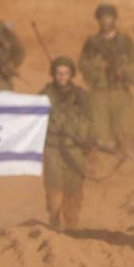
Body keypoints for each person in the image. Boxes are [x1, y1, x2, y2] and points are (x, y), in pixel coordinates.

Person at [78, 3, 134, 156]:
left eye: (108, 17)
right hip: (100, 91)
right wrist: (97, 65)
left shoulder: (124, 40)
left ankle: (124, 159)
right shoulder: (92, 42)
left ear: (114, 19)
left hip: (119, 89)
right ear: (98, 20)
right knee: (100, 132)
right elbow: (83, 64)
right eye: (102, 18)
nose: (105, 21)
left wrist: (124, 71)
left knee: (124, 129)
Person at [40, 56, 93, 230]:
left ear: (71, 74)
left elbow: (91, 121)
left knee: (74, 190)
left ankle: (72, 227)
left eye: (66, 73)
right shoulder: (45, 95)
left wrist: (88, 143)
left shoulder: (81, 96)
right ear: (53, 74)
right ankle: (54, 222)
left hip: (75, 149)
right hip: (53, 148)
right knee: (53, 189)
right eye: (59, 73)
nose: (62, 76)